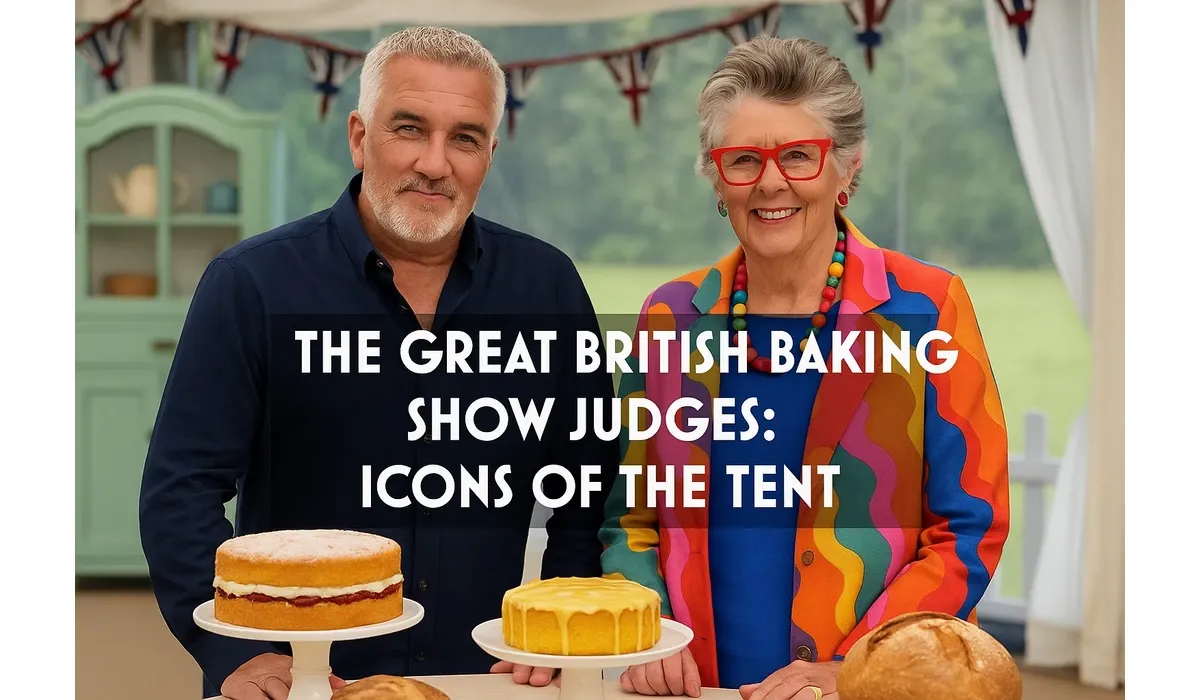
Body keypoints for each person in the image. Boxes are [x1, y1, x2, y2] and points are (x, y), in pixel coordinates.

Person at [139, 26, 616, 699]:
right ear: (360, 137)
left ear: (490, 154)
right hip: (301, 680)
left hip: (486, 680)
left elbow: (584, 488)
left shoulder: (548, 288)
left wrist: (560, 633)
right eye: (409, 128)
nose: (435, 162)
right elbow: (179, 489)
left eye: (464, 138)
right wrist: (232, 653)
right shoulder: (252, 285)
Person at [598, 35, 1011, 699]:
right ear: (715, 173)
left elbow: (967, 527)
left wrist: (858, 666)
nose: (770, 182)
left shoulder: (928, 307)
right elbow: (630, 521)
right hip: (690, 690)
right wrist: (647, 632)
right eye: (743, 159)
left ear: (848, 166)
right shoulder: (668, 315)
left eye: (798, 155)